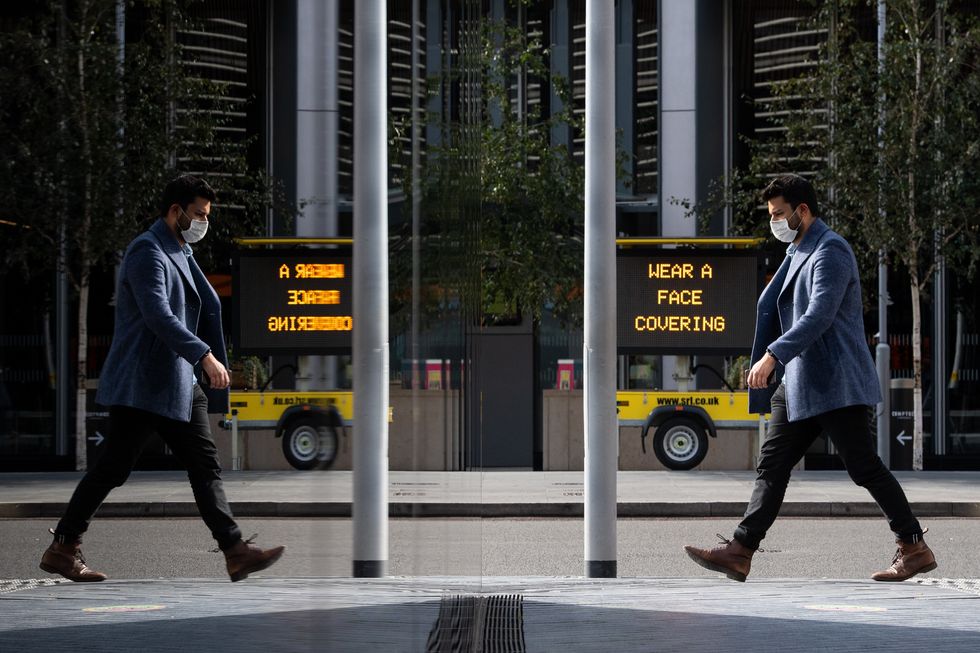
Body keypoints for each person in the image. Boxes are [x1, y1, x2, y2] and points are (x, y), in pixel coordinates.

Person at [684, 174, 936, 583]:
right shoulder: (797, 248)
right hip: (800, 381)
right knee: (773, 464)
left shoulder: (830, 250)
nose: (775, 222)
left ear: (803, 210)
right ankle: (741, 550)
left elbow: (818, 314)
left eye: (780, 214)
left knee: (864, 467)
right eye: (771, 215)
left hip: (835, 382)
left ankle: (913, 546)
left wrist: (772, 354)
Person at [40, 175, 284, 583]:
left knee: (205, 465)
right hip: (146, 384)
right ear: (176, 211)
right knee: (113, 469)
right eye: (200, 214)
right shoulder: (146, 251)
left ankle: (235, 551)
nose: (204, 222)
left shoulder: (181, 250)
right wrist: (204, 355)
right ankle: (64, 546)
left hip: (179, 382)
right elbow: (158, 315)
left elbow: (204, 307)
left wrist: (202, 360)